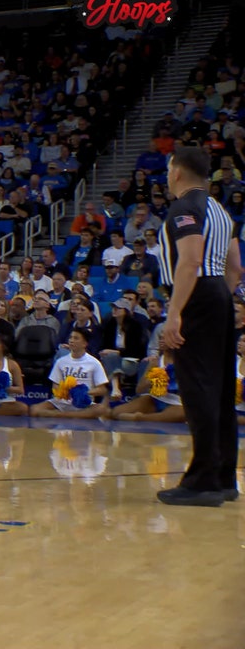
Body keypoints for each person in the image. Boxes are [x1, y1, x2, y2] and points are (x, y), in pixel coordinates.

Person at [154, 146, 242, 506]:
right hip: (218, 292)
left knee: (198, 389)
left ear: (176, 172)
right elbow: (235, 266)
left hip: (197, 294)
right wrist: (221, 296)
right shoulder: (221, 211)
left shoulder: (184, 208)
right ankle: (223, 478)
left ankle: (203, 481)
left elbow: (189, 262)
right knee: (219, 388)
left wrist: (176, 312)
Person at [29, 328, 111, 418]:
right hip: (62, 402)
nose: (71, 341)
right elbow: (55, 385)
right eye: (70, 338)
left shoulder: (94, 363)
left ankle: (60, 415)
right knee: (34, 409)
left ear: (85, 343)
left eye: (76, 338)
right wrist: (63, 391)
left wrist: (85, 392)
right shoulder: (61, 361)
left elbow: (102, 390)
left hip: (83, 403)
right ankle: (72, 416)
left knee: (102, 410)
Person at [107, 352, 184, 423]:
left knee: (182, 413)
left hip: (178, 403)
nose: (162, 341)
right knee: (116, 412)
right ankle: (154, 417)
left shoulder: (186, 362)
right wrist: (149, 381)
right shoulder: (155, 362)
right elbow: (139, 390)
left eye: (164, 338)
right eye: (161, 338)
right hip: (154, 400)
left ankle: (140, 418)